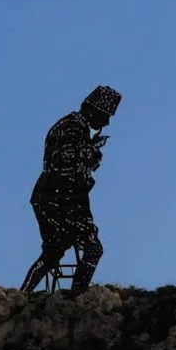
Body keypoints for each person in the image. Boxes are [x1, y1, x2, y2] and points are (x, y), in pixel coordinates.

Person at [22, 85, 121, 293]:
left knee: (54, 252)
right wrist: (90, 154)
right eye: (106, 116)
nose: (107, 123)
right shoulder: (71, 129)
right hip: (59, 199)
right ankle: (76, 293)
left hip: (56, 197)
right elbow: (67, 169)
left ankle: (27, 292)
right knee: (89, 248)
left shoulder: (74, 128)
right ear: (94, 111)